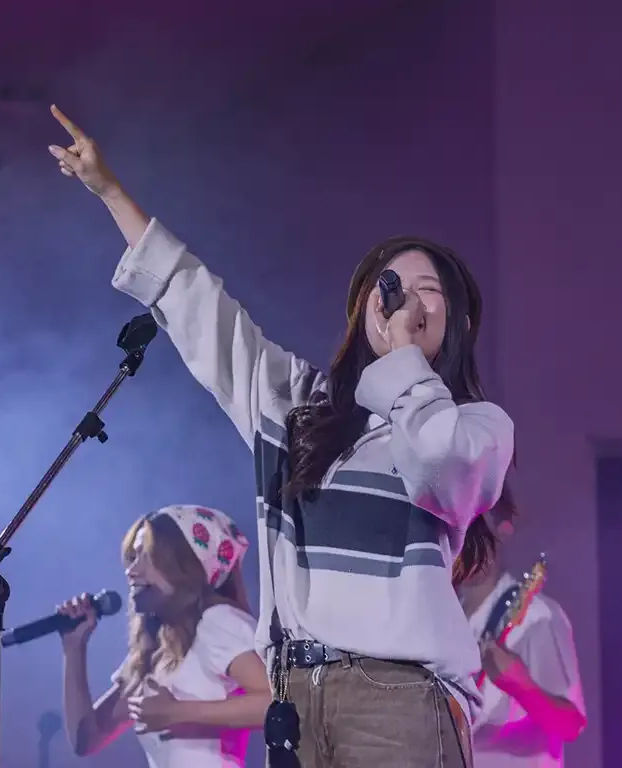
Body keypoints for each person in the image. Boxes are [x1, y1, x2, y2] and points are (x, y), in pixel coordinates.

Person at [48, 105, 516, 768]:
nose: (406, 300)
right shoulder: (296, 409)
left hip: (400, 698)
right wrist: (111, 193)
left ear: (458, 321)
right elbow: (201, 308)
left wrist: (403, 357)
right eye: (390, 287)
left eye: (427, 290)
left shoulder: (476, 425)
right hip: (295, 701)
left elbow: (438, 461)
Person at [58, 505, 270, 768]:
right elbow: (87, 739)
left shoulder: (218, 621)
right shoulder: (155, 649)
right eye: (132, 557)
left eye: (146, 555)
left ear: (186, 564)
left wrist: (177, 712)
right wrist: (74, 649)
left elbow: (278, 703)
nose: (131, 570)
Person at [460, 505, 587, 768]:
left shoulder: (537, 616)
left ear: (503, 529)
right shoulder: (444, 620)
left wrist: (521, 685)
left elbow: (570, 725)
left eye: (475, 522)